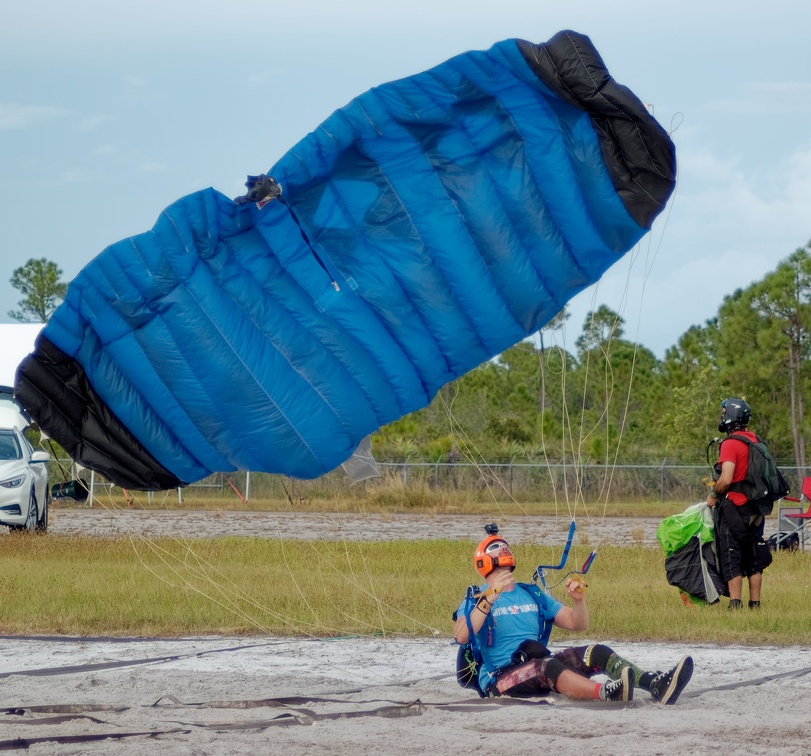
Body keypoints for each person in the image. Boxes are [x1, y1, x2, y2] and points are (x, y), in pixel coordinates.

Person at [452, 529, 694, 703]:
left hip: (540, 665)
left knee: (595, 651)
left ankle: (654, 684)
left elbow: (578, 624)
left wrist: (579, 601)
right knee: (546, 666)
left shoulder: (532, 594)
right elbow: (462, 635)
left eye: (504, 547)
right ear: (484, 561)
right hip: (502, 679)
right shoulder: (476, 599)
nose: (503, 550)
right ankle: (606, 693)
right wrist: (488, 599)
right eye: (497, 548)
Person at [706, 397, 773, 609]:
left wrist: (714, 494)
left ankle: (735, 604)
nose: (722, 417)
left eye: (724, 413)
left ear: (731, 416)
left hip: (735, 507)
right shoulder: (756, 441)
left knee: (731, 553)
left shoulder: (730, 443)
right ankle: (755, 604)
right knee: (754, 555)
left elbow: (726, 479)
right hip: (757, 509)